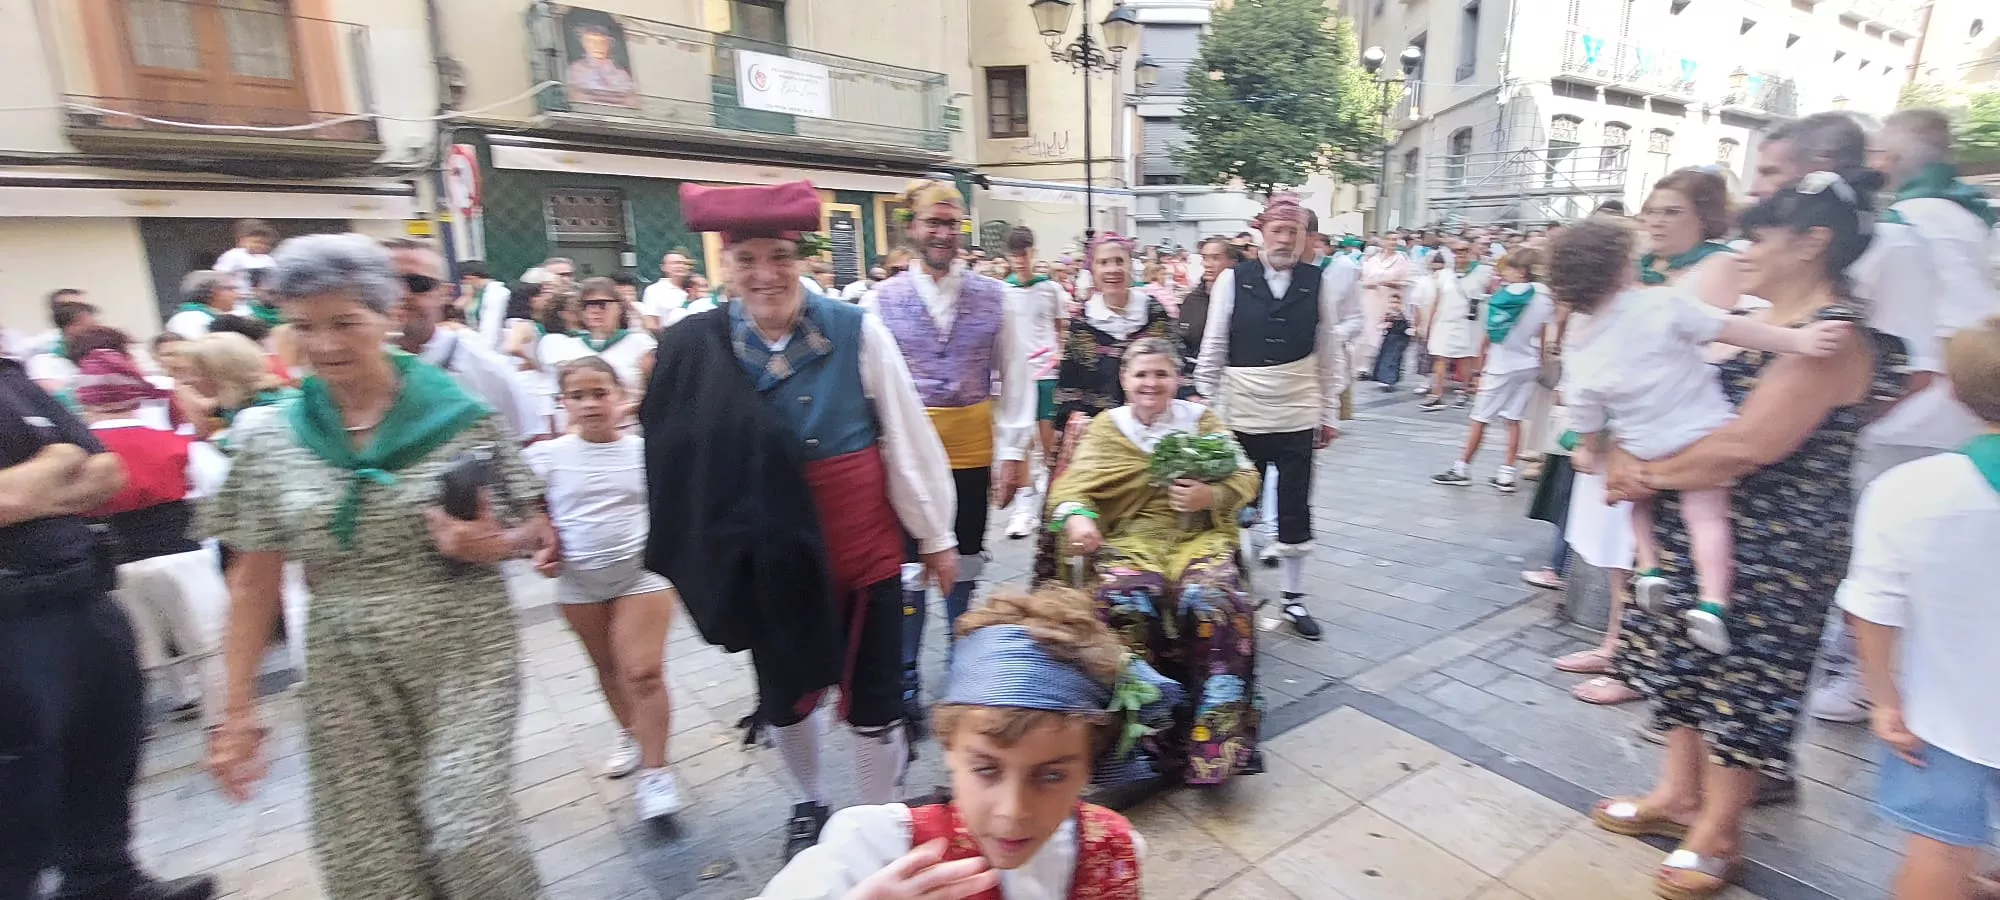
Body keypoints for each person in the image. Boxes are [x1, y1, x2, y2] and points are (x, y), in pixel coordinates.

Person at [204, 234, 552, 900]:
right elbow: (252, 581)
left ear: (387, 316)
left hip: (463, 645)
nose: (324, 344)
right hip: (344, 658)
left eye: (344, 322)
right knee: (370, 856)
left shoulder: (459, 417)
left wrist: (493, 543)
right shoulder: (272, 438)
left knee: (467, 828)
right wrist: (238, 711)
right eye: (303, 326)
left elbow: (536, 528)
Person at [1592, 173, 1908, 900]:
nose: (1744, 250)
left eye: (1759, 237)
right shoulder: (1757, 314)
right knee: (1680, 663)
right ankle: (1677, 794)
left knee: (1747, 682)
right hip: (1696, 520)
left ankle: (1721, 831)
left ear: (1813, 243)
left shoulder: (1832, 337)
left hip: (1776, 547)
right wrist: (1623, 446)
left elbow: (1745, 448)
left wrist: (1642, 476)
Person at [642, 180, 957, 859]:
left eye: (780, 256)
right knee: (786, 701)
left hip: (864, 552)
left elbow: (906, 438)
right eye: (747, 258)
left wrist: (935, 536)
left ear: (804, 259)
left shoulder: (855, 329)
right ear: (725, 265)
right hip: (771, 562)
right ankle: (810, 804)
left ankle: (878, 823)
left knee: (875, 705)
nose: (764, 275)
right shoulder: (697, 347)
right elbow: (676, 456)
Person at [756, 587, 1172, 899]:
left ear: (1088, 768)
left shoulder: (1113, 849)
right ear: (949, 750)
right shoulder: (875, 850)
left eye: (1051, 776)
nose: (1012, 813)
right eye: (987, 769)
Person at [1747, 112, 1949, 724]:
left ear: (1820, 172)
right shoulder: (1780, 247)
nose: (1759, 188)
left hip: (1896, 447)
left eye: (1773, 173)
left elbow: (1920, 367)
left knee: (1845, 587)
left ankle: (1862, 684)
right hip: (1815, 446)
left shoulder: (1897, 244)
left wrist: (1824, 413)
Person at [1, 342, 220, 900]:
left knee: (107, 747)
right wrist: (55, 462)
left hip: (82, 591)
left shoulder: (11, 379)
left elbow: (107, 470)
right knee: (19, 787)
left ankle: (107, 882)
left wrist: (36, 483)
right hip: (12, 613)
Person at [862, 178, 1034, 738]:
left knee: (964, 559)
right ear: (911, 228)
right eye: (931, 223)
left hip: (970, 450)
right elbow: (864, 387)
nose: (941, 233)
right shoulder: (879, 302)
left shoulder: (996, 296)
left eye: (950, 224)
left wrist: (1013, 451)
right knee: (908, 566)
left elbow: (1017, 375)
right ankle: (906, 677)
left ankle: (964, 662)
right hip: (906, 457)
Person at [1048, 338, 1261, 786]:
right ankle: (1141, 743)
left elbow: (1246, 475)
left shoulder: (1200, 421)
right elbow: (1069, 491)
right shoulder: (1107, 428)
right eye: (1141, 374)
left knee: (1215, 598)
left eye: (1161, 374)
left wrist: (1212, 495)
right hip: (1131, 539)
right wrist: (1080, 523)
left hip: (1197, 538)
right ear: (1124, 380)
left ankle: (1217, 744)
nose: (1151, 383)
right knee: (1124, 598)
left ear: (1177, 379)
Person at [1839, 316, 2000, 900]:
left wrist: (1884, 701)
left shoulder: (1911, 492)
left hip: (1945, 718)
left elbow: (1871, 609)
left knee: (1938, 849)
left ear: (1955, 392)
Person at [525, 357, 683, 820]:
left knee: (642, 671)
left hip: (642, 572)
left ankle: (656, 775)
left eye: (600, 393)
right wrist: (541, 537)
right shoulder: (546, 457)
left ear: (620, 397)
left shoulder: (645, 451)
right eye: (578, 396)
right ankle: (631, 733)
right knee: (609, 668)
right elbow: (519, 504)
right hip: (579, 581)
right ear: (563, 404)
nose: (591, 404)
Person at [1193, 192, 1356, 641]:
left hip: (1299, 410)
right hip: (1243, 410)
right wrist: (1202, 404)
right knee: (1238, 501)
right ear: (1261, 232)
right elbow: (1214, 342)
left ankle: (1293, 598)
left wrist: (1329, 413)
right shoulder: (1232, 279)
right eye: (1278, 230)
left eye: (1294, 232)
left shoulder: (1316, 281)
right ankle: (1237, 591)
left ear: (1305, 237)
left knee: (1295, 504)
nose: (1285, 239)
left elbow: (1327, 349)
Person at [77, 348, 229, 725]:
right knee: (209, 643)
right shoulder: (170, 441)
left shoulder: (78, 455)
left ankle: (157, 710)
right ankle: (218, 716)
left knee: (137, 651)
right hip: (180, 549)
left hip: (113, 560)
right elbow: (218, 483)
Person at [384, 238, 546, 442]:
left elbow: (531, 439)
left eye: (418, 284)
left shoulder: (483, 366)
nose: (401, 294)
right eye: (387, 282)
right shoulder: (348, 363)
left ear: (445, 293)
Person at [1432, 248, 1555, 492]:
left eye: (1508, 268)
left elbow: (1490, 334)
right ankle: (1507, 473)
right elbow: (1543, 330)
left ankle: (1461, 468)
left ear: (1521, 271)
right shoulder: (1545, 296)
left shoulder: (1503, 296)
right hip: (1529, 363)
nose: (1503, 272)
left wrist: (1478, 369)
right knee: (1514, 418)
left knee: (1480, 417)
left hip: (1501, 364)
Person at [1001, 225, 1072, 540]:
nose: (1020, 262)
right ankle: (1025, 505)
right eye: (1014, 256)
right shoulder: (1004, 290)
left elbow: (1062, 329)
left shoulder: (1051, 289)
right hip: (1018, 376)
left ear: (1033, 253)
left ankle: (1053, 496)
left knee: (1049, 442)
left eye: (1024, 255)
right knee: (1022, 442)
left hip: (1047, 374)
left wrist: (1060, 356)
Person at [539, 277, 657, 426]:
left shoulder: (640, 343)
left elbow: (658, 394)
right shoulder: (567, 346)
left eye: (601, 304)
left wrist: (623, 411)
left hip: (628, 429)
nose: (593, 310)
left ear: (619, 307)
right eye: (586, 305)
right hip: (580, 432)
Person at [1413, 250, 1477, 411]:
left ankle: (1463, 391)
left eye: (1464, 253)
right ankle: (1436, 395)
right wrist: (1428, 324)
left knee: (1464, 358)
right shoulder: (1444, 275)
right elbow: (1437, 299)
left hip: (1465, 321)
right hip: (1443, 321)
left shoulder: (1479, 274)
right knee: (1440, 358)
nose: (1460, 256)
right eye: (1458, 253)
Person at [1358, 236, 1412, 380]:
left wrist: (1387, 282)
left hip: (1390, 301)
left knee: (1385, 334)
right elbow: (1363, 278)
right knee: (1367, 331)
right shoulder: (1373, 260)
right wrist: (1370, 283)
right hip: (1370, 300)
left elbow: (1406, 281)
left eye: (1395, 240)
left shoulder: (1401, 260)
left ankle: (1383, 369)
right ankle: (1364, 366)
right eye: (1389, 239)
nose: (1392, 242)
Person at [165, 270, 243, 339]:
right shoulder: (189, 319)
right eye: (231, 289)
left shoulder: (212, 316)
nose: (237, 295)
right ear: (214, 291)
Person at [212, 218, 277, 295]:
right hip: (236, 298)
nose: (259, 246)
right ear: (242, 240)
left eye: (263, 243)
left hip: (259, 299)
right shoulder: (233, 255)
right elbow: (220, 276)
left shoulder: (268, 260)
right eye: (255, 242)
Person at [459, 260, 513, 349]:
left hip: (497, 348)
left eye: (463, 282)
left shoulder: (495, 294)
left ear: (470, 279)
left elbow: (491, 328)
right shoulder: (483, 294)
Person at [641, 249, 696, 328]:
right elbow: (650, 323)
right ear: (663, 267)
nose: (680, 266)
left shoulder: (695, 288)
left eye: (684, 263)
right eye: (675, 263)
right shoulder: (654, 290)